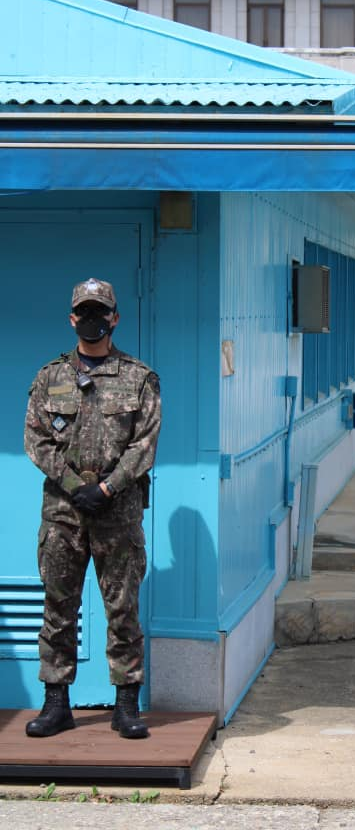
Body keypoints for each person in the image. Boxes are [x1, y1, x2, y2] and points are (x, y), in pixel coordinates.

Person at [23, 278, 161, 739]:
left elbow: (144, 445)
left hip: (117, 512)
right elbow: (36, 439)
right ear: (72, 319)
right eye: (85, 312)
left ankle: (126, 706)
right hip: (63, 514)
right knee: (58, 607)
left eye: (101, 312)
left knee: (122, 609)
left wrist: (106, 488)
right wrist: (70, 483)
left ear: (115, 318)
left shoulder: (139, 378)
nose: (93, 320)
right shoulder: (50, 377)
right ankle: (56, 704)